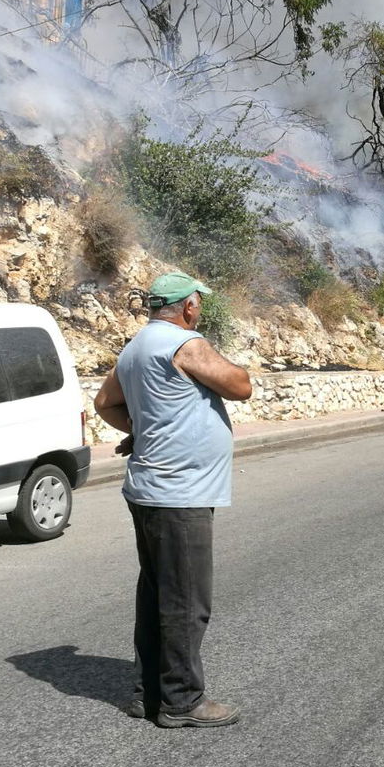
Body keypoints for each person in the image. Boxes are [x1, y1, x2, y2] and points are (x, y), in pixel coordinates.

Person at [94, 272, 253, 728]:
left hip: (149, 490)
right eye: (198, 302)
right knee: (186, 600)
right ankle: (182, 702)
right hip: (178, 493)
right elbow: (240, 385)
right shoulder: (187, 344)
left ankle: (148, 694)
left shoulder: (135, 346)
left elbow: (106, 403)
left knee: (157, 594)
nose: (199, 309)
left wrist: (144, 430)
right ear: (187, 307)